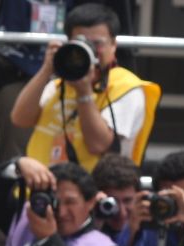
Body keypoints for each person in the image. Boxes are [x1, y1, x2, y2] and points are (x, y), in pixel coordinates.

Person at [10, 2, 159, 171]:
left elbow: (98, 144)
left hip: (92, 193)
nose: (91, 51)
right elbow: (20, 119)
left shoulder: (127, 88)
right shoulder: (59, 85)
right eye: (82, 43)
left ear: (113, 45)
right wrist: (46, 69)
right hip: (42, 191)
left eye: (98, 44)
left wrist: (84, 92)